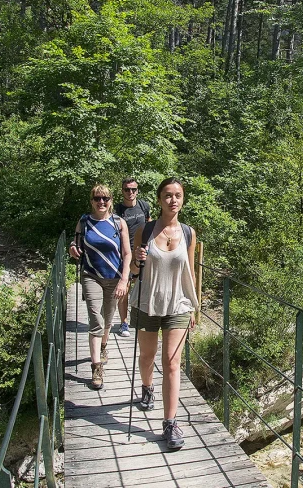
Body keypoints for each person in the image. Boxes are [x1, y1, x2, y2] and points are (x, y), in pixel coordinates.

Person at [130, 177, 198, 450]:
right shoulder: (144, 232)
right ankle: (147, 388)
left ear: (183, 199)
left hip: (178, 305)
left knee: (171, 362)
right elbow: (134, 273)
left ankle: (170, 423)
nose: (173, 200)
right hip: (148, 302)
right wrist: (136, 261)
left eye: (178, 195)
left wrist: (193, 306)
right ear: (159, 200)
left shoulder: (189, 233)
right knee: (147, 357)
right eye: (168, 195)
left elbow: (190, 273)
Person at [69, 184, 132, 390]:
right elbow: (76, 243)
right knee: (95, 319)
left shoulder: (118, 223)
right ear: (92, 201)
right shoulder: (84, 221)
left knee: (107, 318)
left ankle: (104, 345)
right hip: (91, 276)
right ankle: (96, 367)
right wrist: (72, 248)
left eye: (105, 198)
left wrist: (124, 280)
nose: (101, 202)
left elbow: (127, 254)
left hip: (114, 277)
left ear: (111, 200)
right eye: (97, 198)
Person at [114, 177, 151, 338]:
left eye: (133, 189)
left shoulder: (144, 206)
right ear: (122, 191)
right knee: (125, 288)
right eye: (127, 189)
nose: (130, 192)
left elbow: (150, 224)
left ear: (137, 191)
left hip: (143, 252)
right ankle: (124, 322)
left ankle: (143, 319)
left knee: (144, 286)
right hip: (125, 255)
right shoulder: (117, 210)